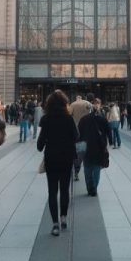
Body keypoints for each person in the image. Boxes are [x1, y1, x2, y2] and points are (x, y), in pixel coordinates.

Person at [37, 90, 78, 236]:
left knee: (52, 191)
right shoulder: (68, 119)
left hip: (52, 158)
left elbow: (40, 145)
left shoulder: (46, 119)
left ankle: (55, 224)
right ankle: (64, 218)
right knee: (65, 189)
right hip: (66, 158)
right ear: (64, 103)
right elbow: (76, 136)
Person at [78, 97, 109, 196]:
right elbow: (108, 132)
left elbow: (79, 134)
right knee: (96, 169)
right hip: (99, 147)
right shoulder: (103, 119)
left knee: (87, 169)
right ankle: (94, 188)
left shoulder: (83, 120)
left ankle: (89, 188)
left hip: (86, 147)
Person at [70, 94, 92, 180]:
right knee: (83, 149)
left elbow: (69, 115)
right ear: (81, 98)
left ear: (76, 98)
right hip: (86, 129)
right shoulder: (87, 103)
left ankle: (76, 169)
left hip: (76, 129)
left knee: (77, 150)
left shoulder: (73, 104)